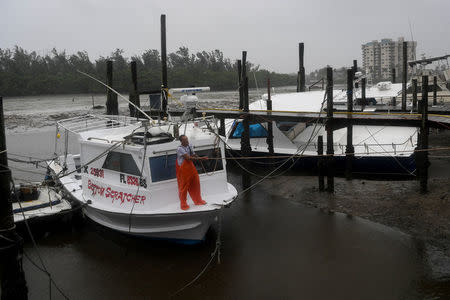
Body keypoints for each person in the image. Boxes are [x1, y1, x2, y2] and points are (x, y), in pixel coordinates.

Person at [176, 135, 207, 210]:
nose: (187, 141)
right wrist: (200, 158)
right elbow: (188, 158)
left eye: (187, 139)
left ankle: (198, 200)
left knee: (196, 182)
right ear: (181, 142)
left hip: (190, 166)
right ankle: (183, 204)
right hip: (183, 169)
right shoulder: (179, 149)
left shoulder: (190, 145)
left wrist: (198, 157)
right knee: (184, 186)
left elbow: (193, 154)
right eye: (185, 140)